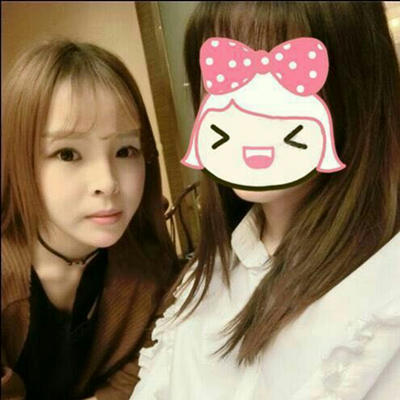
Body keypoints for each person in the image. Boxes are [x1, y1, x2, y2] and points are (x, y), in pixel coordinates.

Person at [130, 2, 400, 400]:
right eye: (227, 80)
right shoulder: (212, 270)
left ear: (356, 83)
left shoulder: (383, 295)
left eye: (281, 83)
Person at [1, 39, 179, 400]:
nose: (108, 183)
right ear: (18, 160)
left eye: (125, 150)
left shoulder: (155, 271)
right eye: (68, 153)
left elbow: (149, 365)